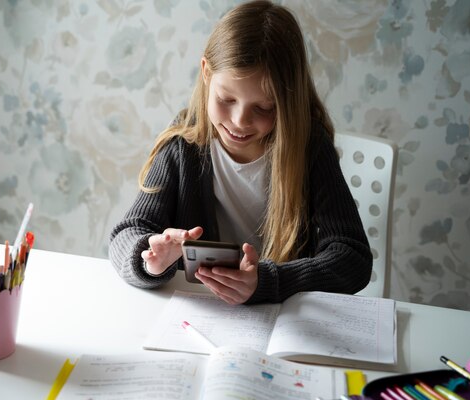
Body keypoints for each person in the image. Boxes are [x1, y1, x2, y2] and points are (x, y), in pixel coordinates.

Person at [109, 0, 372, 305]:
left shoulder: (309, 147)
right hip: (196, 314)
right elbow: (126, 235)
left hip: (282, 320)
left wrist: (268, 281)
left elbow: (352, 257)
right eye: (226, 99)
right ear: (206, 73)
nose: (239, 121)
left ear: (288, 101)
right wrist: (149, 258)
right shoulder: (184, 141)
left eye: (263, 108)